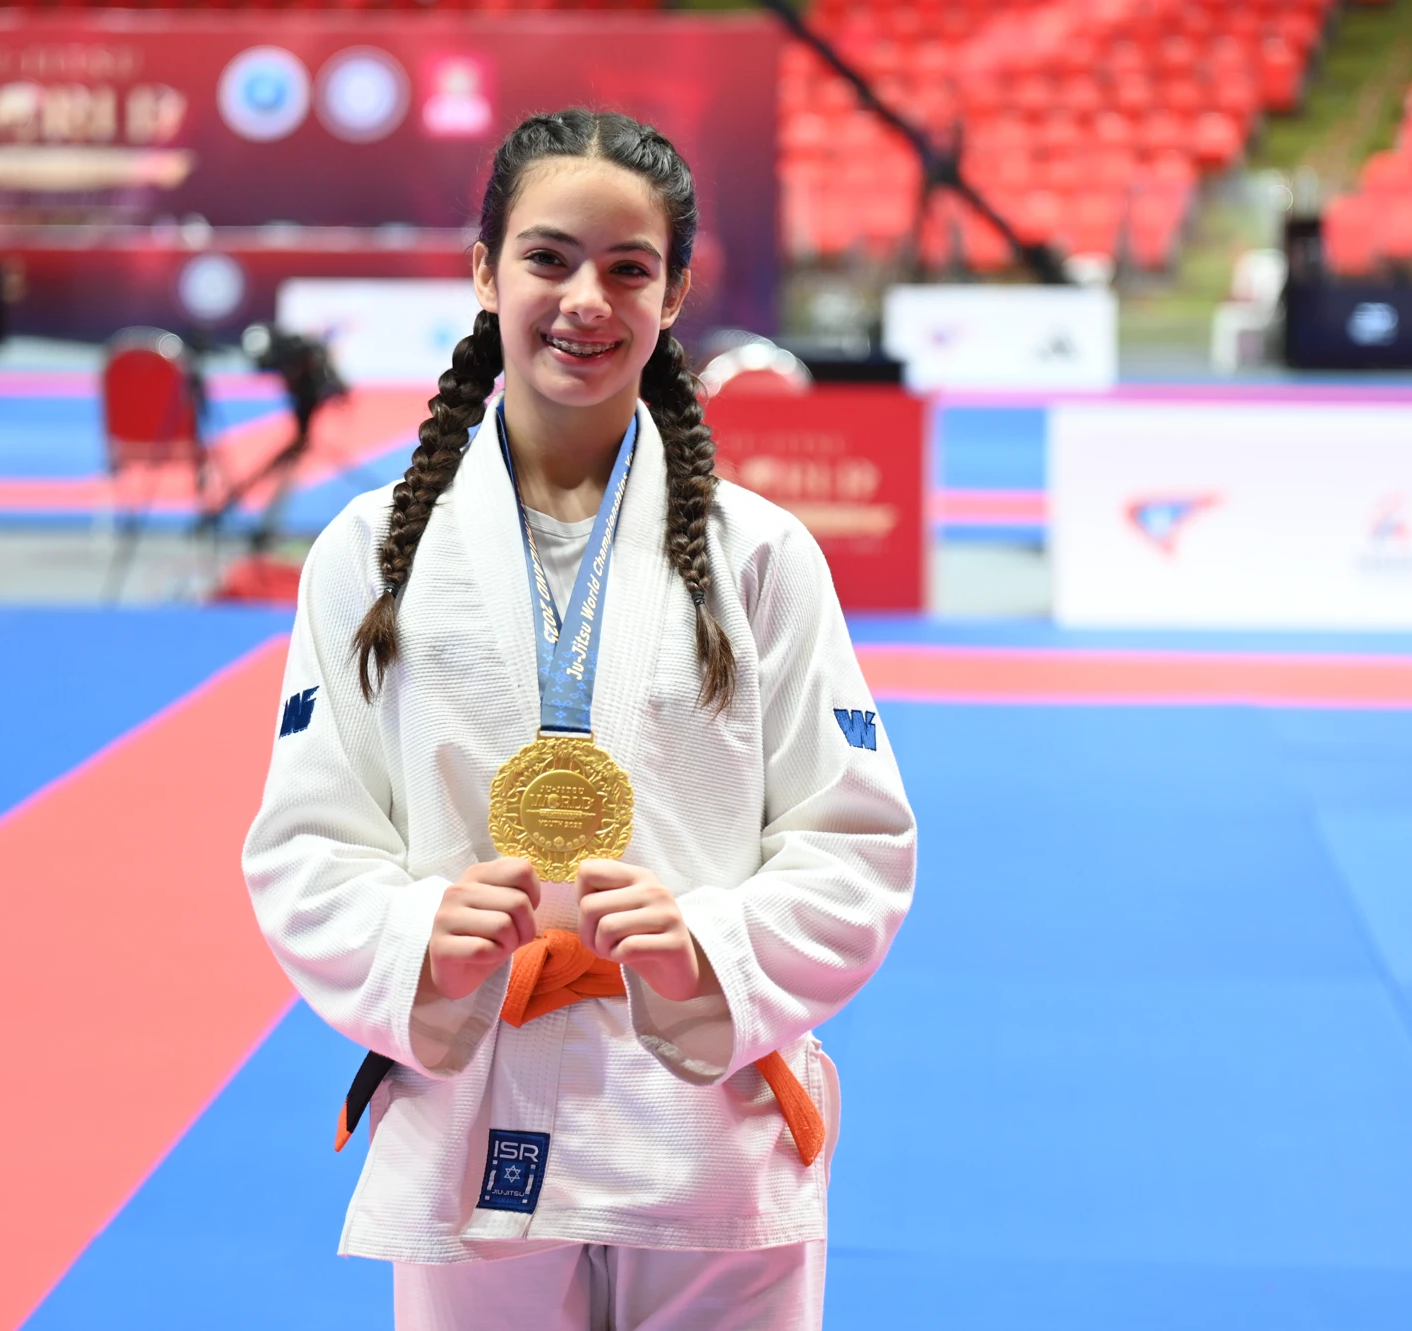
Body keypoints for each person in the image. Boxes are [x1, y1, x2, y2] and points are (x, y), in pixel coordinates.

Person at [243, 108, 915, 1331]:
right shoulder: (369, 552)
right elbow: (305, 838)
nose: (584, 301)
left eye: (627, 267)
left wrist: (706, 938)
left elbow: (856, 840)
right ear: (483, 268)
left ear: (675, 292)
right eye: (547, 258)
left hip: (700, 1121)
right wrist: (413, 936)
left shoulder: (760, 552)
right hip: (471, 1112)